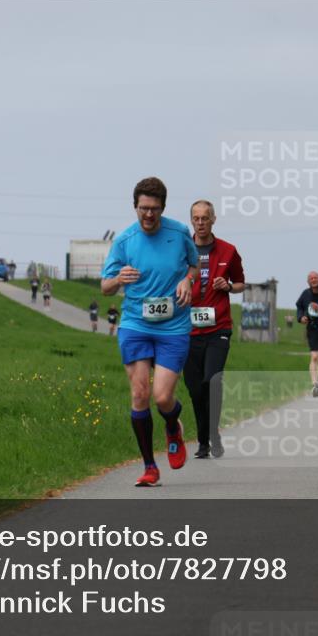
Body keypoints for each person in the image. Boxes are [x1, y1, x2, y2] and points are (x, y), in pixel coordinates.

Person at [101, 177, 198, 487]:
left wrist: (187, 281)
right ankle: (149, 467)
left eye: (154, 209)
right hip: (135, 324)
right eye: (143, 208)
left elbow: (194, 267)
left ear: (163, 208)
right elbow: (104, 287)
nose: (148, 215)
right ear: (135, 207)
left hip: (173, 326)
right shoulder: (125, 241)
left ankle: (173, 426)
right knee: (140, 393)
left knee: (162, 396)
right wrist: (118, 280)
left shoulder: (180, 233)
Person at [183, 200, 245, 459]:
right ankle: (203, 440)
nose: (200, 223)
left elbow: (241, 283)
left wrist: (228, 286)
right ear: (191, 221)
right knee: (195, 389)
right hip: (187, 330)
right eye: (196, 218)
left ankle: (213, 436)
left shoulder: (229, 251)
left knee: (211, 382)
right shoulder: (181, 251)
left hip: (218, 328)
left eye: (205, 218)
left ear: (213, 220)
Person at [295, 271, 318, 397]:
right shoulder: (305, 294)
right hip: (313, 328)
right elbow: (299, 307)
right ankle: (314, 385)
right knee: (315, 356)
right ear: (308, 281)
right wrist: (301, 318)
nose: (313, 280)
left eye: (315, 277)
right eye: (311, 278)